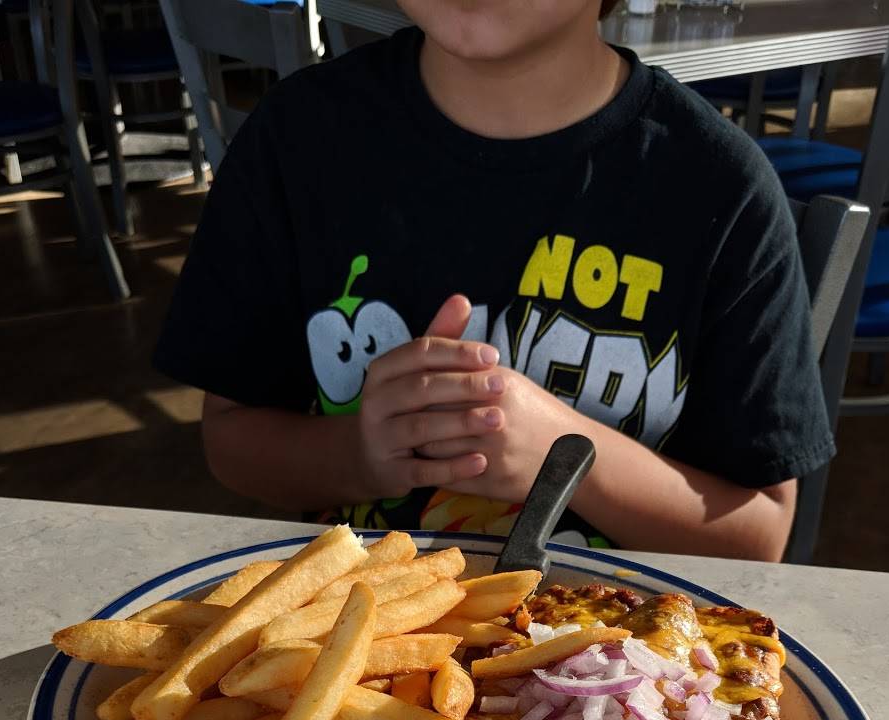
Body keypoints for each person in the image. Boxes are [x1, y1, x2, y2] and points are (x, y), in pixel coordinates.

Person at [155, 0, 834, 560]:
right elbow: (232, 440)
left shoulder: (719, 189)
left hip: (622, 654)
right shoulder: (298, 138)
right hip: (367, 641)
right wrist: (360, 453)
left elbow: (760, 532)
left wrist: (570, 458)